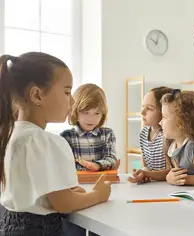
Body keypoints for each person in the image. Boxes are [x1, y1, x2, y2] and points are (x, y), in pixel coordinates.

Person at [0, 52, 111, 235]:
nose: (73, 101)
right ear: (37, 95)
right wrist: (97, 195)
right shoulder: (44, 141)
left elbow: (34, 190)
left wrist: (64, 190)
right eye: (67, 92)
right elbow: (63, 203)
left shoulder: (11, 134)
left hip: (9, 224)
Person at [61, 83, 119, 172]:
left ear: (103, 114)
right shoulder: (66, 136)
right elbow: (65, 165)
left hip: (101, 182)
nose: (91, 119)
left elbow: (111, 158)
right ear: (75, 111)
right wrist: (89, 167)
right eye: (85, 112)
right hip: (76, 183)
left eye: (97, 113)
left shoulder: (107, 134)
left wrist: (98, 165)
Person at [128, 86, 173, 184]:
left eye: (149, 108)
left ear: (163, 112)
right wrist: (142, 173)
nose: (142, 112)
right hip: (152, 186)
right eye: (143, 106)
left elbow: (171, 171)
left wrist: (147, 174)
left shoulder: (168, 136)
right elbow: (145, 166)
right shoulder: (143, 133)